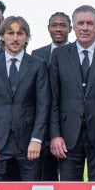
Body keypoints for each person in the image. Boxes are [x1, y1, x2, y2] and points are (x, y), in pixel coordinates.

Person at [48, 5, 95, 181]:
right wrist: (55, 135)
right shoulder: (59, 55)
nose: (85, 28)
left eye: (90, 23)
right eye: (80, 23)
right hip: (67, 138)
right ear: (73, 27)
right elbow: (53, 98)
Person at [0, 15, 49, 181]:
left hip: (28, 142)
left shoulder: (38, 65)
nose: (15, 38)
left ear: (27, 37)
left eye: (20, 33)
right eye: (10, 33)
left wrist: (37, 139)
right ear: (2, 36)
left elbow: (43, 105)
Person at [31, 11, 71, 181]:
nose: (58, 29)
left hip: (70, 124)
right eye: (55, 25)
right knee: (46, 177)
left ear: (70, 28)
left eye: (63, 25)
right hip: (43, 128)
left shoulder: (75, 53)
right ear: (48, 28)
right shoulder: (37, 54)